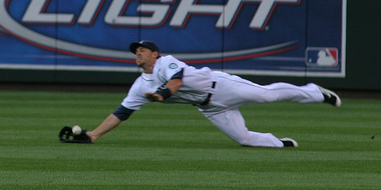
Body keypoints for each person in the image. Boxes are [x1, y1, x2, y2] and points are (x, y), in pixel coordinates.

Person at [60, 40, 341, 147]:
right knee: (243, 138)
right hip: (210, 107)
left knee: (267, 95)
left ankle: (314, 92)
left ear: (154, 53)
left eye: (142, 50)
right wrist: (93, 134)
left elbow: (177, 80)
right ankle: (281, 144)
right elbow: (122, 113)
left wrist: (162, 96)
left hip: (221, 86)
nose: (138, 54)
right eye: (136, 52)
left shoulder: (165, 61)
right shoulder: (140, 85)